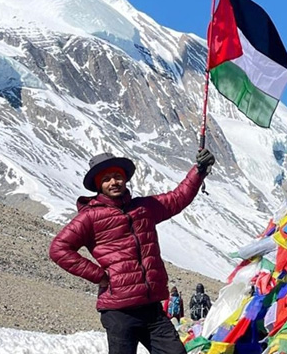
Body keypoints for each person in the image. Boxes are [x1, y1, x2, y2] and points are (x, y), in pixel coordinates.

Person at [49, 149, 216, 354]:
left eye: (118, 176)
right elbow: (59, 249)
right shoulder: (90, 217)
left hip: (151, 307)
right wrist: (99, 276)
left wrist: (198, 171)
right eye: (107, 179)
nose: (114, 182)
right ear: (98, 185)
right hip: (119, 311)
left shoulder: (144, 208)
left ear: (125, 179)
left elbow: (177, 198)